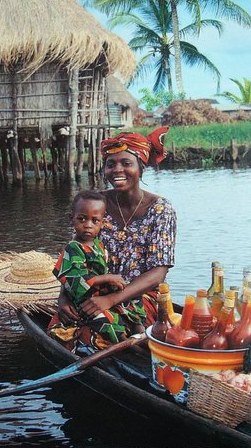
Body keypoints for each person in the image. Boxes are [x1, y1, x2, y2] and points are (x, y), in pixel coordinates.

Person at [49, 127, 176, 350]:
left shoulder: (160, 210)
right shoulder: (95, 206)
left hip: (139, 297)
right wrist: (64, 298)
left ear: (140, 167)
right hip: (93, 293)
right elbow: (76, 256)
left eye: (126, 163)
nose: (118, 170)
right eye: (111, 164)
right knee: (62, 331)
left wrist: (111, 300)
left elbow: (158, 273)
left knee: (93, 335)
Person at [51, 190, 147, 348]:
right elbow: (75, 280)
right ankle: (126, 344)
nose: (88, 225)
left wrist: (113, 285)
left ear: (102, 223)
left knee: (134, 297)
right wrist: (108, 278)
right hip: (83, 300)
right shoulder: (73, 248)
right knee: (102, 319)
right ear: (72, 219)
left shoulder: (98, 244)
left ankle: (139, 328)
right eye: (82, 219)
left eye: (94, 221)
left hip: (101, 293)